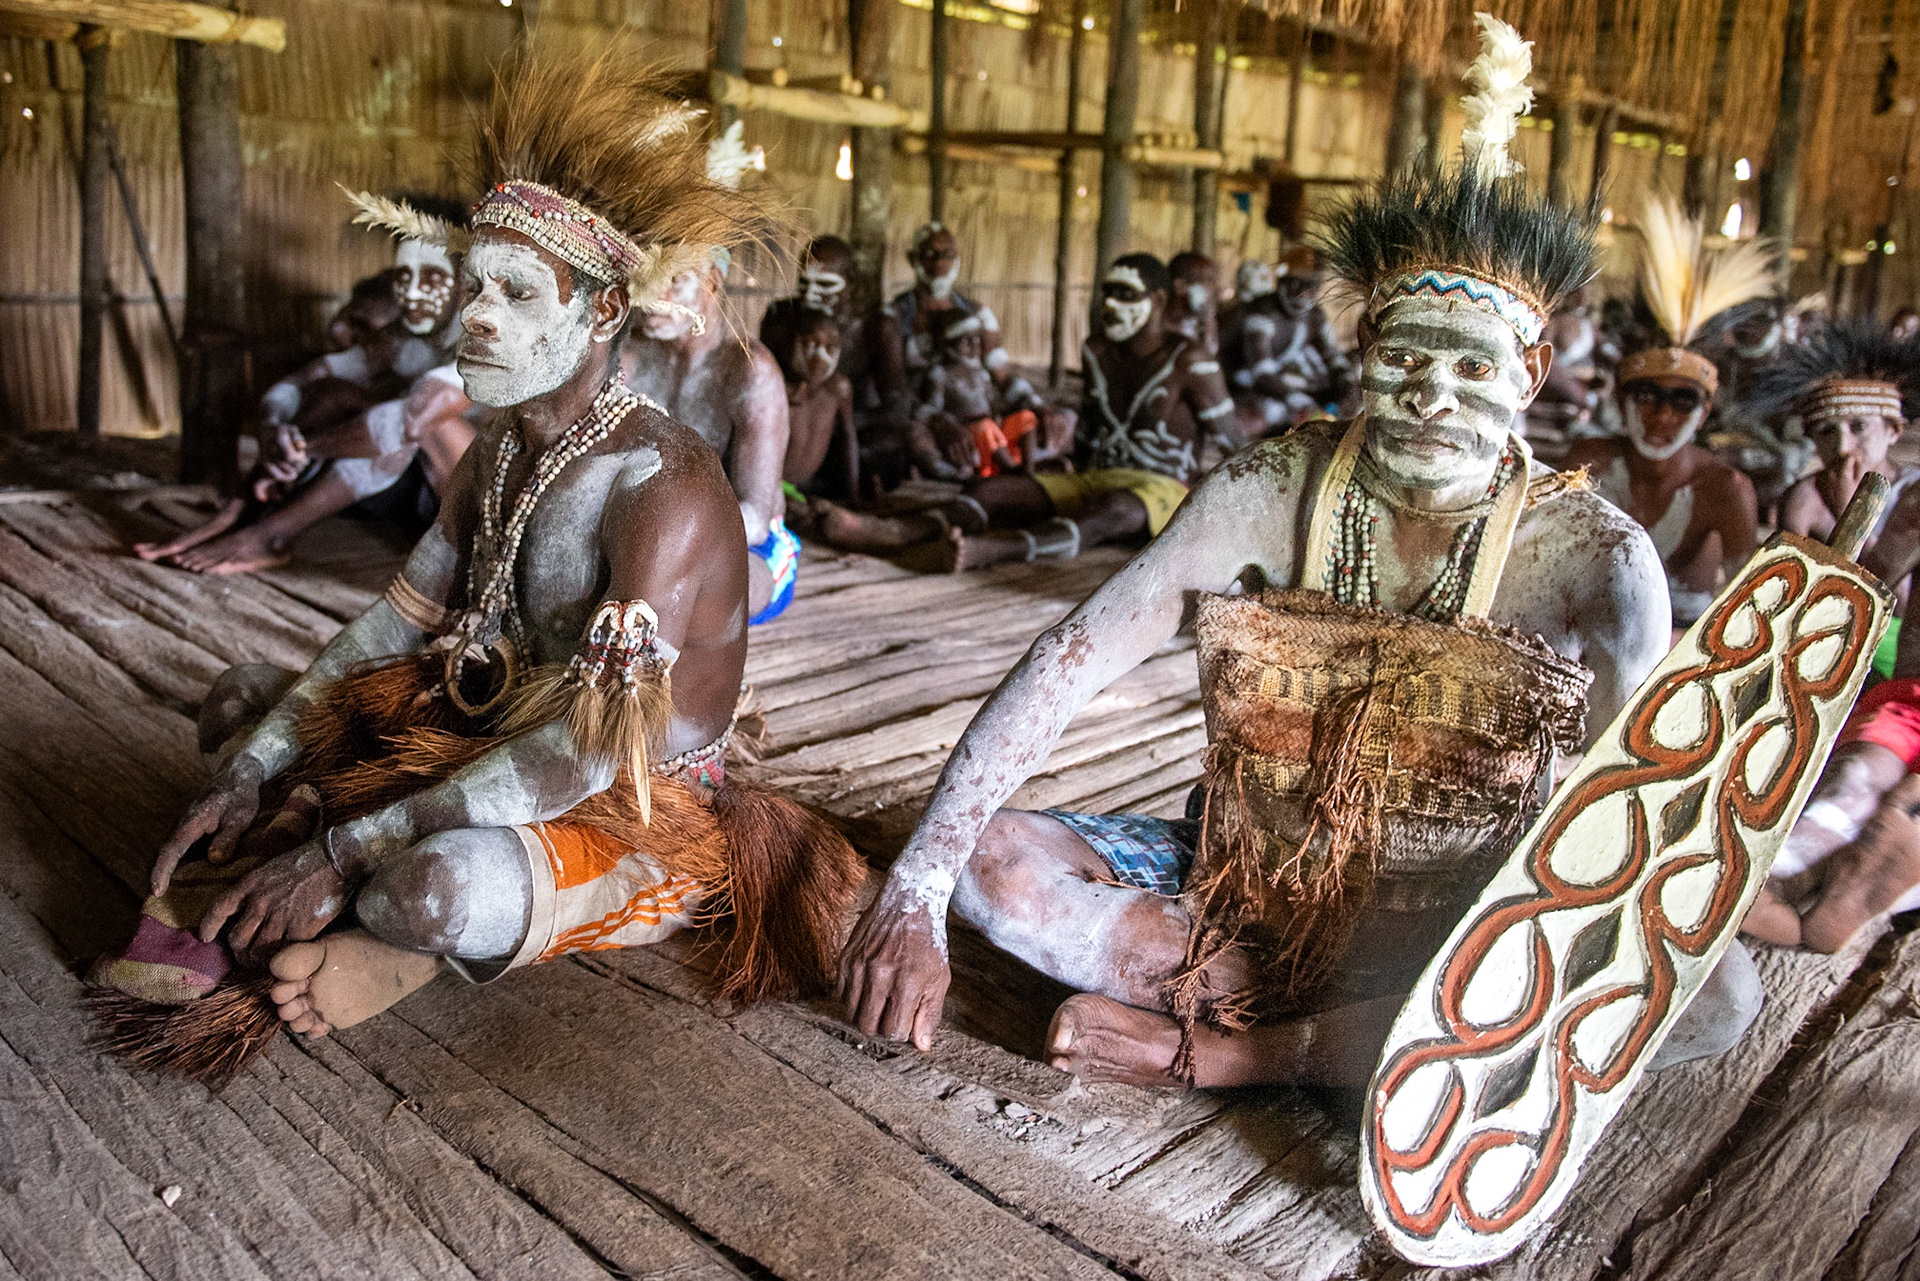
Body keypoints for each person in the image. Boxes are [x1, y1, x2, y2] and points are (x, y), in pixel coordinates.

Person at [833, 27, 1763, 1090]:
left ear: (1536, 371)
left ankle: (1238, 1054)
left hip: (1452, 916)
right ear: (1365, 349)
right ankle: (1373, 1041)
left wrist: (1544, 931)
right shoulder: (1272, 489)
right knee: (991, 864)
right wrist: (915, 891)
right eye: (1406, 356)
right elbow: (1074, 656)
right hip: (1243, 884)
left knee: (1716, 992)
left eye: (1472, 366)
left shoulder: (1597, 557)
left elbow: (1625, 807)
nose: (1431, 395)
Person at [93, 49, 861, 1064]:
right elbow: (393, 623)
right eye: (472, 285)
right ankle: (351, 892)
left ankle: (418, 939)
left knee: (429, 888)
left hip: (629, 789)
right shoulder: (498, 447)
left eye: (513, 291)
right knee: (240, 709)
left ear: (598, 314)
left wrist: (343, 842)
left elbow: (589, 751)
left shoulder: (660, 489)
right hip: (488, 724)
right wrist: (260, 766)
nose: (475, 315)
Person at [814, 253, 1233, 573]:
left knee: (1115, 511)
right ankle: (894, 533)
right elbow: (1092, 423)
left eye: (1126, 294)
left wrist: (1219, 506)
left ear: (1158, 300)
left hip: (1160, 487)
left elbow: (1231, 439)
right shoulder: (1096, 350)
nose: (1111, 304)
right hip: (1097, 474)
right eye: (1107, 292)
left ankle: (991, 551)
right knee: (991, 491)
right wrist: (1059, 461)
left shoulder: (1190, 361)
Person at [134, 207, 477, 574]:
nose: (410, 293)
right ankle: (246, 511)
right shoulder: (406, 341)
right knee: (332, 393)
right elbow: (305, 379)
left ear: (463, 281)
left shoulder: (485, 340)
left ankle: (269, 532)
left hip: (474, 512)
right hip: (408, 492)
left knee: (426, 419)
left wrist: (302, 449)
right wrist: (271, 429)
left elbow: (408, 421)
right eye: (403, 275)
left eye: (429, 277)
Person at [1743, 322, 1920, 951]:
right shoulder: (1823, 498)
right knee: (1862, 774)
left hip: (1894, 679)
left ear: (1893, 433)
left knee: (1896, 796)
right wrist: (1856, 522)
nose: (1841, 445)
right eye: (1826, 431)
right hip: (1896, 691)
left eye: (1858, 429)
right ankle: (1780, 887)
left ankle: (1858, 886)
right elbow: (1869, 587)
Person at [1567, 197, 1772, 628]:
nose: (1662, 417)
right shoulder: (1588, 463)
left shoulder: (1725, 489)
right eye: (1646, 396)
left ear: (1703, 413)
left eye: (1682, 403)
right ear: (1621, 401)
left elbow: (1749, 614)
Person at [621, 254, 797, 625]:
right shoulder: (628, 355)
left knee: (682, 594)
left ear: (712, 282)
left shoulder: (749, 372)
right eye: (645, 279)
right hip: (632, 538)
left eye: (673, 279)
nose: (653, 296)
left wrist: (656, 540)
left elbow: (755, 517)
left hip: (744, 546)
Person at [1222, 248, 1353, 433]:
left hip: (1287, 393)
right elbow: (1261, 376)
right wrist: (1302, 401)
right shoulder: (1262, 314)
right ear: (1282, 281)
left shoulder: (1314, 316)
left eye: (1312, 286)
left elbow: (1330, 354)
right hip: (1247, 391)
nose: (1304, 293)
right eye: (1297, 283)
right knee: (1262, 416)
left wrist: (1347, 382)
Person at [914, 309, 1045, 480]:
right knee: (985, 427)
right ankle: (1010, 469)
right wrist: (954, 424)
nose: (974, 344)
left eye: (976, 337)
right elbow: (933, 411)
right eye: (965, 340)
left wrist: (1006, 411)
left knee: (1025, 417)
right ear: (948, 344)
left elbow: (992, 402)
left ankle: (1028, 469)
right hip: (971, 435)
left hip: (993, 431)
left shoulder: (981, 372)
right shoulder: (940, 373)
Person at [781, 310, 858, 500]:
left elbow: (848, 437)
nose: (819, 357)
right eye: (810, 344)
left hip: (806, 488)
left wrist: (854, 493)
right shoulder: (779, 388)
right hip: (775, 487)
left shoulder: (839, 389)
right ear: (793, 345)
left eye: (830, 347)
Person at [1166, 251, 1220, 356]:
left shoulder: (1204, 319)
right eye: (1208, 280)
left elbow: (1208, 356)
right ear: (1180, 286)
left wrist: (1205, 322)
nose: (1214, 288)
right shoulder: (1163, 325)